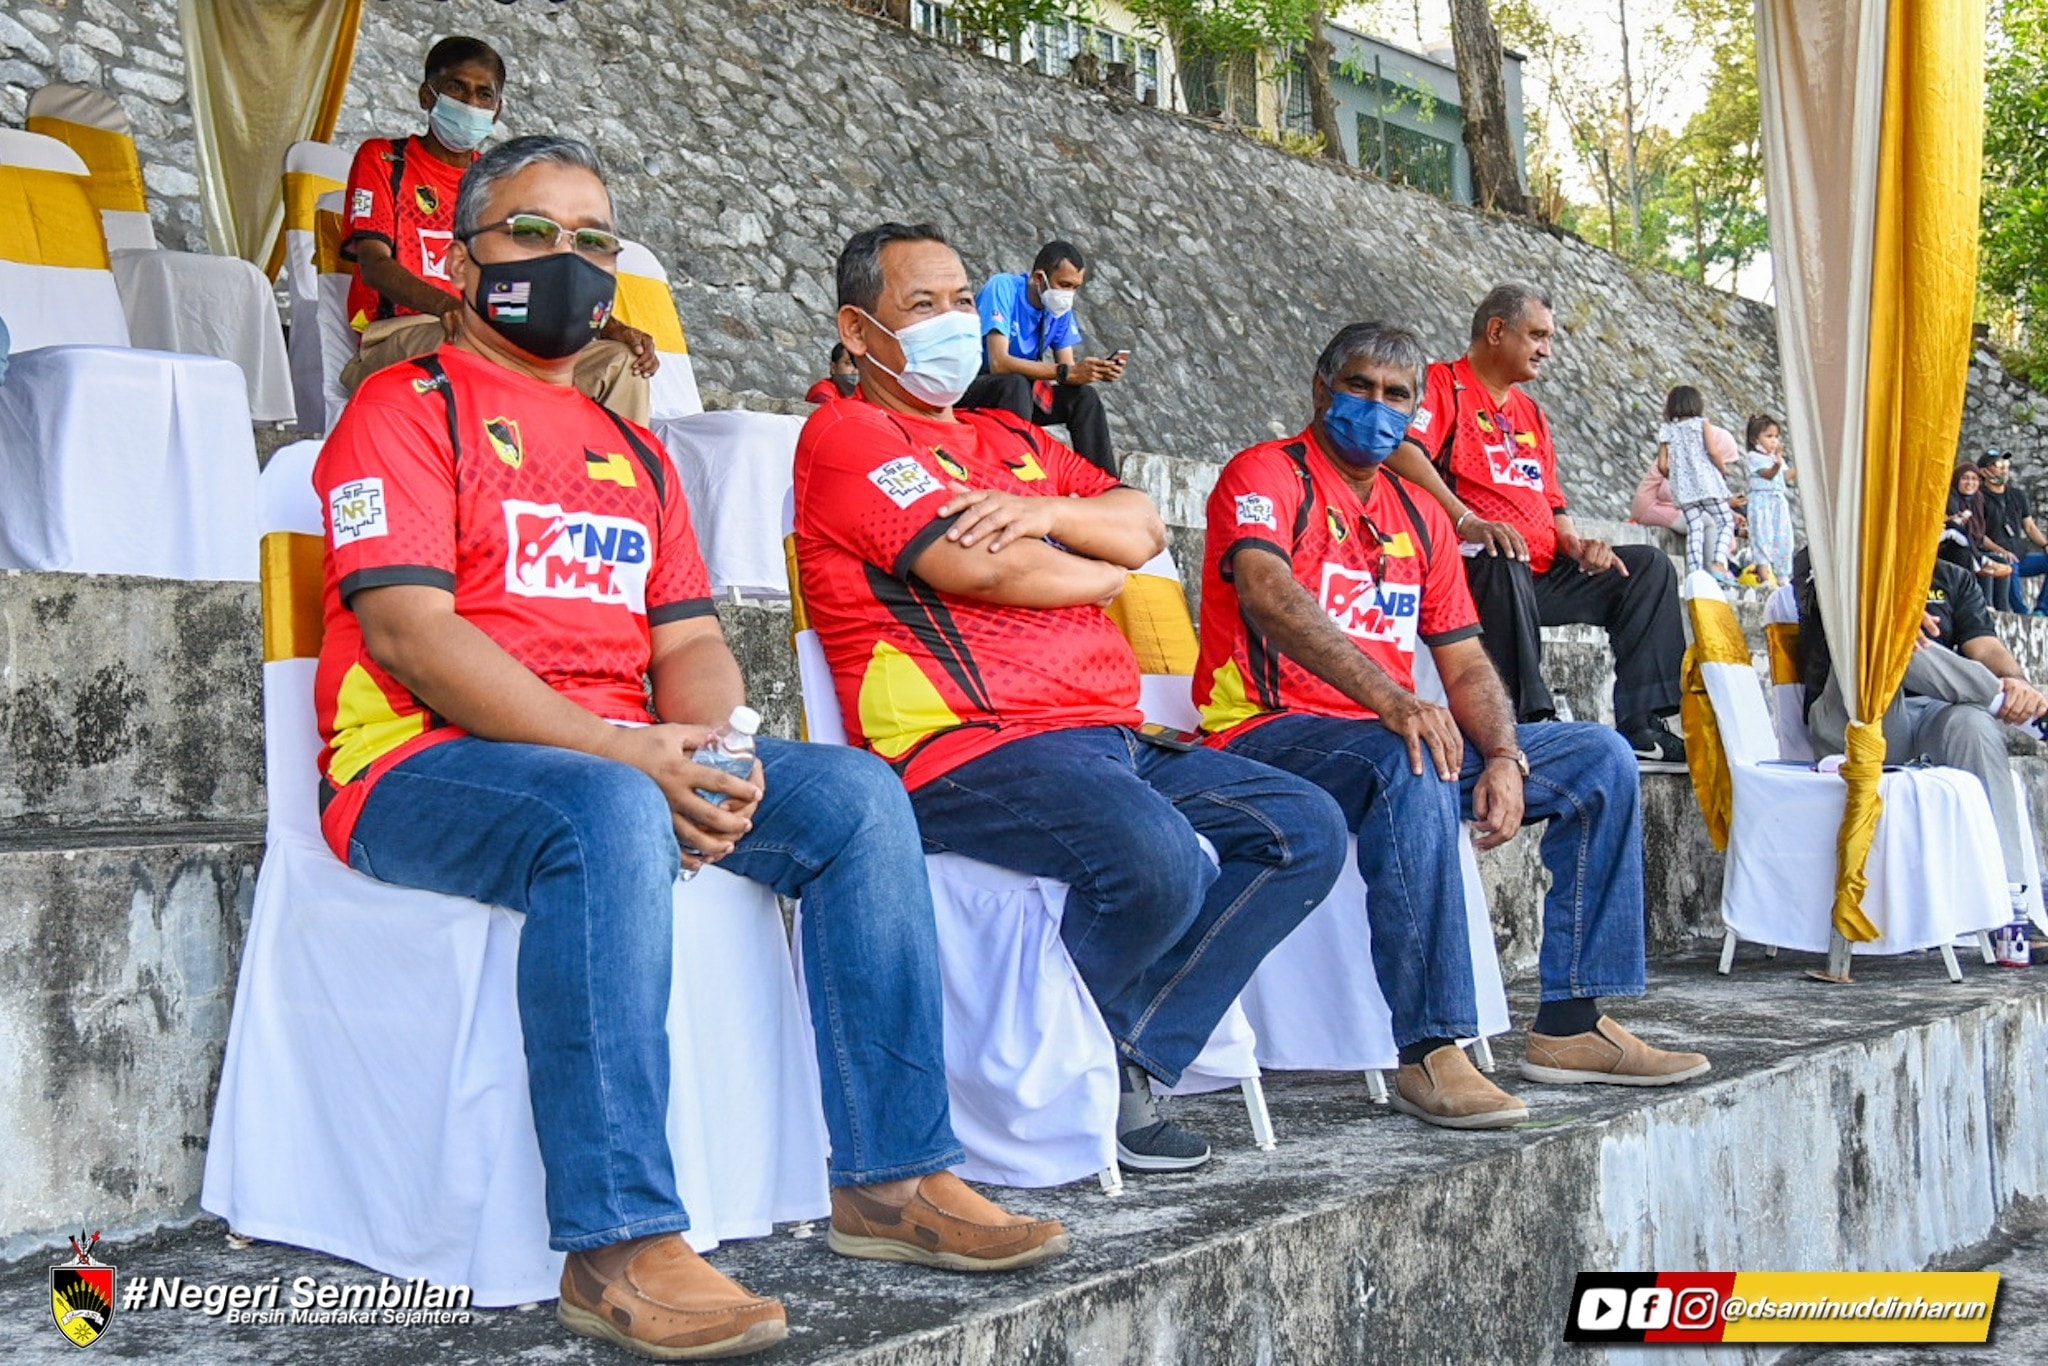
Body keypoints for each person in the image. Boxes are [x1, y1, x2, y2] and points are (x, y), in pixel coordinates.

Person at [314, 141, 1068, 1362]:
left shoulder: (634, 450)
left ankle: (893, 1178)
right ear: (460, 261)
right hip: (421, 766)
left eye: (595, 241)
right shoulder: (405, 410)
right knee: (604, 812)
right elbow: (409, 629)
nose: (568, 262)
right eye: (531, 233)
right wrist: (627, 755)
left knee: (858, 798)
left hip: (619, 752)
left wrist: (708, 748)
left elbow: (693, 640)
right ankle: (616, 1239)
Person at [794, 221, 1347, 1173]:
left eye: (963, 300)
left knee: (1304, 829)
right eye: (920, 305)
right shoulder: (844, 437)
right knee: (1160, 859)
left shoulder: (1008, 437)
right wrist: (1092, 571)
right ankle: (1092, 1070)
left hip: (1104, 734)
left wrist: (1049, 518)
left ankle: (1121, 1046)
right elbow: (988, 571)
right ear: (857, 330)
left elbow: (1138, 524)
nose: (953, 322)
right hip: (963, 748)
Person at [1196, 321, 1710, 1128]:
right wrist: (1393, 700)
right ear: (1321, 389)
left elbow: (1465, 661)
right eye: (1359, 387)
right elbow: (1267, 592)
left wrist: (1503, 753)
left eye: (1396, 395)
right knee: (1411, 757)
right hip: (1268, 734)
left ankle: (1572, 1025)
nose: (1376, 407)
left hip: (1393, 740)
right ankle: (1433, 1049)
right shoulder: (1267, 475)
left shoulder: (1420, 515)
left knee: (1598, 758)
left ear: (1414, 413)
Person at [1386, 282, 1689, 772]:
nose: (1547, 349)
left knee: (1647, 567)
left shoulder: (1531, 414)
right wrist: (1468, 519)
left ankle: (1643, 727)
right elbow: (1403, 450)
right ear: (1497, 331)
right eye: (1537, 335)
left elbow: (1552, 498)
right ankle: (1526, 719)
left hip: (1540, 572)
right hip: (1471, 570)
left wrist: (1575, 542)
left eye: (1549, 338)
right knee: (1502, 551)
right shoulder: (1444, 385)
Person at [335, 36, 657, 423]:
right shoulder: (385, 160)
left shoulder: (503, 184)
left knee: (621, 364)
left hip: (499, 336)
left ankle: (613, 479)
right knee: (475, 348)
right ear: (427, 95)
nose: (470, 103)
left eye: (484, 94)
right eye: (457, 87)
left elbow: (543, 276)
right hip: (402, 334)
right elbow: (373, 264)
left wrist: (614, 329)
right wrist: (449, 307)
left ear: (497, 108)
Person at [1796, 544, 2048, 949]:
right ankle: (2010, 706)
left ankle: (2009, 904)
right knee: (1885, 638)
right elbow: (1829, 606)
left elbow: (1985, 647)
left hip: (1930, 713)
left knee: (1974, 723)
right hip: (1854, 717)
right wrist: (1889, 619)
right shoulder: (1835, 553)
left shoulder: (1951, 576)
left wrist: (2016, 681)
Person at [954, 239, 1127, 475]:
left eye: (1075, 287)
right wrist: (1067, 371)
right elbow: (998, 362)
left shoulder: (1059, 310)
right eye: (1064, 284)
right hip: (974, 387)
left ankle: (1105, 485)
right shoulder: (1003, 287)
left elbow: (1068, 371)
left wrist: (1096, 371)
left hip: (1020, 397)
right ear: (1038, 278)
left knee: (1084, 397)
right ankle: (1021, 472)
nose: (1068, 294)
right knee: (1014, 383)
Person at [1660, 386, 1738, 585]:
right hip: (1706, 483)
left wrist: (1676, 475)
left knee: (1695, 527)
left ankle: (1694, 574)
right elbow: (1712, 451)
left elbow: (1662, 465)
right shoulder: (1702, 424)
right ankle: (1718, 562)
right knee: (1725, 521)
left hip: (1683, 490)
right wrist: (1723, 469)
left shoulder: (1668, 430)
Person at [1977, 450, 2048, 614]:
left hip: (2021, 555)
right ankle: (2021, 611)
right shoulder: (1979, 497)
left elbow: (2029, 526)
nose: (2004, 469)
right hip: (1996, 555)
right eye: (1999, 465)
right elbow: (1979, 534)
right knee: (2009, 561)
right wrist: (2000, 551)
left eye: (2006, 465)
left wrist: (2045, 544)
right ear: (1984, 471)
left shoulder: (2017, 495)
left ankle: (2042, 609)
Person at [1743, 413, 1796, 585]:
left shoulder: (1775, 459)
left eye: (1776, 436)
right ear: (1755, 439)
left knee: (1783, 537)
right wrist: (1778, 464)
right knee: (1762, 536)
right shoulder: (1754, 457)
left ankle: (1783, 575)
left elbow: (1785, 476)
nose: (1774, 440)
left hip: (1778, 502)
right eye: (1769, 436)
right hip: (1761, 502)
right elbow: (1769, 474)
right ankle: (1764, 575)